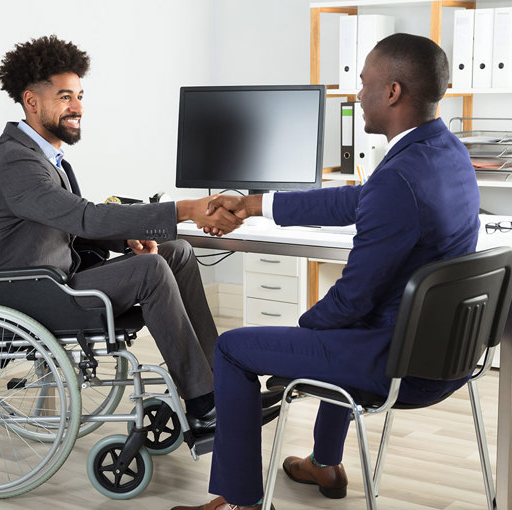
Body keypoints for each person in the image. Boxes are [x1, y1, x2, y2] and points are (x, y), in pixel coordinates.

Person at [172, 33, 481, 510]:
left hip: (398, 364)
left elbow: (352, 299)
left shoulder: (399, 177)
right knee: (344, 323)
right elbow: (357, 200)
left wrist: (296, 340)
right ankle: (325, 463)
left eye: (364, 83)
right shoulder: (447, 153)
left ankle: (240, 501)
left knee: (235, 349)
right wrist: (254, 204)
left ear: (393, 92)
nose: (357, 95)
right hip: (445, 355)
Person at [0, 35, 240, 432]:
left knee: (176, 252)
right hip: (40, 294)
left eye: (80, 96)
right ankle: (203, 402)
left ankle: (216, 380)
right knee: (151, 270)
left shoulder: (42, 155)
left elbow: (68, 227)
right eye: (66, 97)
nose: (79, 107)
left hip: (60, 279)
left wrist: (125, 240)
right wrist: (186, 209)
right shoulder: (18, 160)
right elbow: (84, 218)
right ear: (32, 102)